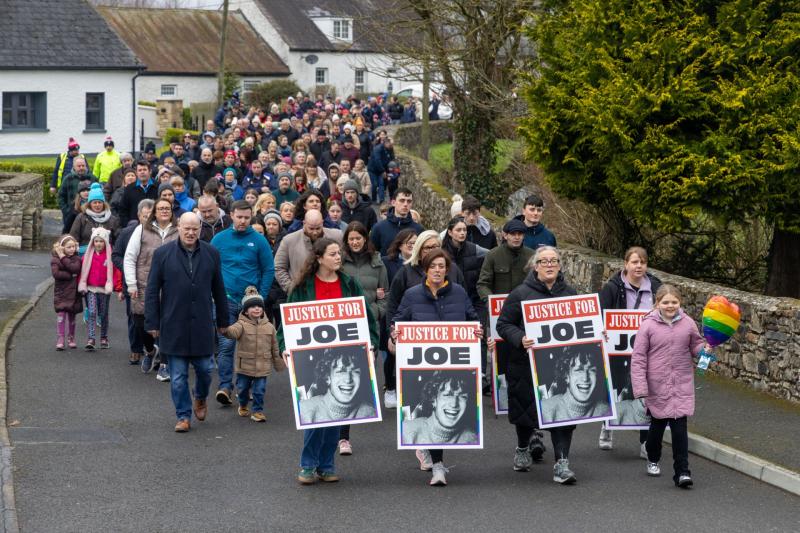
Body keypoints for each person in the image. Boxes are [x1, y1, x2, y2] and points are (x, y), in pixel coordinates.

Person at [277, 238, 378, 485]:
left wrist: (371, 345)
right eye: (333, 254)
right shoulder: (302, 286)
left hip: (345, 359)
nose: (338, 258)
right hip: (312, 359)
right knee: (314, 414)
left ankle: (327, 464)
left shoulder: (349, 283)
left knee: (336, 415)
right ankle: (308, 465)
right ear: (319, 258)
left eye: (338, 254)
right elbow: (286, 322)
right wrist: (284, 348)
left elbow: (366, 317)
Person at [393, 249, 481, 486]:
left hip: (453, 366)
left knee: (448, 414)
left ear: (447, 269)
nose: (438, 270)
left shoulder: (459, 292)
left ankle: (438, 463)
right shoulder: (412, 295)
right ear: (425, 269)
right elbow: (398, 320)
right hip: (422, 367)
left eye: (442, 266)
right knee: (431, 415)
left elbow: (472, 318)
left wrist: (477, 331)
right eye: (433, 266)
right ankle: (436, 463)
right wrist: (396, 333)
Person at [496, 246, 579, 484]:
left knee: (564, 414)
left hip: (561, 368)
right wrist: (520, 338)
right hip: (526, 365)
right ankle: (523, 448)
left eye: (554, 261)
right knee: (526, 413)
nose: (550, 265)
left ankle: (562, 463)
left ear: (560, 265)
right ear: (535, 266)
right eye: (544, 261)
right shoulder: (520, 294)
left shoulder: (571, 294)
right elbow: (503, 324)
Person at [145, 212, 230, 433]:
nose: (191, 232)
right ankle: (183, 416)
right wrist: (152, 322)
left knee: (205, 370)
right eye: (186, 228)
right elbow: (153, 290)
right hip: (173, 325)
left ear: (200, 229)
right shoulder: (163, 254)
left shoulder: (211, 253)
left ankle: (200, 397)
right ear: (178, 228)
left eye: (195, 229)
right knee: (179, 378)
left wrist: (223, 320)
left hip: (202, 324)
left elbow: (219, 290)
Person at [631, 284, 707, 488]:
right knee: (656, 429)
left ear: (680, 303)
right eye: (666, 302)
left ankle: (682, 472)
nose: (670, 305)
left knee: (679, 430)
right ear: (657, 303)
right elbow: (638, 358)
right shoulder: (647, 326)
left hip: (681, 384)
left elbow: (696, 346)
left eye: (674, 302)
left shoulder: (688, 323)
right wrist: (640, 387)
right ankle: (652, 456)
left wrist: (705, 350)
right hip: (657, 386)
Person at [597, 246, 662, 455]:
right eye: (634, 262)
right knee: (616, 387)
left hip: (648, 348)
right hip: (618, 347)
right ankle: (608, 426)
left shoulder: (656, 287)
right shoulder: (613, 287)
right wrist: (603, 330)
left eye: (642, 262)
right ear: (626, 264)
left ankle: (645, 442)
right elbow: (599, 315)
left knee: (645, 392)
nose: (639, 266)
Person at [211, 200, 275, 405]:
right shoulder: (219, 239)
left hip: (250, 303)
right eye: (239, 217)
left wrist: (261, 298)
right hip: (225, 300)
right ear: (231, 215)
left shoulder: (259, 240)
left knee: (250, 348)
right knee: (227, 345)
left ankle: (244, 387)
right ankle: (224, 387)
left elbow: (268, 270)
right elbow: (210, 268)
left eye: (247, 217)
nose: (243, 221)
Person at [338, 221, 389, 455]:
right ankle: (343, 437)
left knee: (361, 379)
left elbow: (385, 298)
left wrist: (373, 314)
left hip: (369, 329)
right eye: (351, 239)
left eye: (359, 238)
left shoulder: (378, 264)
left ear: (365, 239)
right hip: (343, 329)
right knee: (343, 380)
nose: (355, 242)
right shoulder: (339, 263)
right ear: (346, 241)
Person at [124, 199, 179, 379]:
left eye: (167, 208)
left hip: (171, 287)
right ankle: (149, 350)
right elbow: (130, 257)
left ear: (172, 211)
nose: (164, 211)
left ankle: (165, 364)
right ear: (154, 212)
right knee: (142, 324)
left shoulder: (179, 231)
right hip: (144, 285)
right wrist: (131, 284)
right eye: (160, 208)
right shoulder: (141, 230)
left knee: (167, 326)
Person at [221, 286, 283, 423]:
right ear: (245, 310)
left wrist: (279, 363)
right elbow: (232, 332)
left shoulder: (269, 327)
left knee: (259, 390)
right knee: (242, 389)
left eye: (259, 306)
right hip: (245, 366)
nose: (257, 309)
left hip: (263, 366)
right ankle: (243, 405)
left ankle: (258, 411)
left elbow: (274, 347)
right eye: (252, 306)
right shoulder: (241, 324)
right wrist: (224, 329)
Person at [112, 199, 153, 365]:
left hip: (153, 283)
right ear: (139, 215)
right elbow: (116, 255)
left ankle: (153, 349)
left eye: (151, 216)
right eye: (145, 216)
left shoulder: (159, 234)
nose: (148, 219)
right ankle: (136, 349)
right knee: (134, 318)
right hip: (132, 282)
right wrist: (130, 270)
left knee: (153, 318)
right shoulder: (127, 233)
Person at [297, 346, 377, 424]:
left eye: (355, 371)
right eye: (341, 371)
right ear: (327, 378)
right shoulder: (304, 411)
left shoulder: (370, 412)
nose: (348, 379)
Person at [400, 371, 478, 445]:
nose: (454, 404)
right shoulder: (406, 432)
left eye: (462, 397)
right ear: (433, 399)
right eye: (447, 395)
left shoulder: (472, 438)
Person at [274, 209, 343, 292]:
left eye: (318, 228)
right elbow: (278, 267)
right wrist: (291, 288)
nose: (315, 232)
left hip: (333, 290)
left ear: (322, 223)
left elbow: (344, 261)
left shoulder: (337, 236)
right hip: (302, 293)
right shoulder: (289, 240)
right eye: (311, 228)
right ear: (304, 223)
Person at [539, 344, 611, 423]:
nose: (585, 378)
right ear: (566, 376)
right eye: (578, 370)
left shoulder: (606, 411)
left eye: (592, 370)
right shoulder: (544, 411)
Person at [77, 227, 118, 351]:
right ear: (92, 242)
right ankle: (91, 338)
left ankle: (104, 337)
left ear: (105, 242)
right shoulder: (87, 256)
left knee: (103, 313)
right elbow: (82, 271)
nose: (98, 244)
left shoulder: (110, 257)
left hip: (104, 289)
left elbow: (115, 272)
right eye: (96, 241)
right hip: (90, 289)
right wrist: (81, 284)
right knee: (92, 312)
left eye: (101, 241)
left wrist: (114, 285)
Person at [369, 187, 423, 256]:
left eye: (409, 201)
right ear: (393, 202)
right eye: (402, 200)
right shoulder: (379, 228)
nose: (405, 204)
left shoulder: (419, 229)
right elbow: (371, 254)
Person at [51, 235, 82, 350]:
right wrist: (70, 276)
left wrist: (63, 257)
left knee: (72, 316)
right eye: (69, 247)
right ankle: (60, 338)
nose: (72, 249)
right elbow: (56, 274)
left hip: (73, 293)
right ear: (62, 247)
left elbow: (75, 269)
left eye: (73, 246)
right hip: (61, 292)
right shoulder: (55, 259)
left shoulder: (77, 259)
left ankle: (71, 338)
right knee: (61, 315)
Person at [70, 183, 120, 252]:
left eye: (99, 202)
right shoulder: (81, 217)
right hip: (84, 253)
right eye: (94, 202)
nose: (97, 205)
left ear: (104, 204)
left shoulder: (112, 219)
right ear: (90, 204)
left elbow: (117, 239)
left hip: (106, 255)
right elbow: (73, 237)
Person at [57, 157, 97, 233]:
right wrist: (66, 210)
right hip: (71, 214)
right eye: (79, 166)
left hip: (90, 214)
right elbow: (61, 196)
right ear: (74, 167)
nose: (81, 168)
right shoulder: (68, 178)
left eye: (83, 165)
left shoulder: (92, 178)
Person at [119, 161, 158, 227]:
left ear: (150, 171)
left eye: (144, 170)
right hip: (134, 227)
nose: (142, 172)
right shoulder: (129, 189)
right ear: (136, 173)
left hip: (155, 226)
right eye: (140, 170)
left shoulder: (158, 187)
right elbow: (123, 210)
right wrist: (128, 225)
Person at [367, 137, 394, 203]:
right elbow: (377, 160)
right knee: (375, 184)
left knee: (381, 184)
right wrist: (383, 171)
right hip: (373, 169)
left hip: (381, 169)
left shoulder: (389, 149)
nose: (391, 146)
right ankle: (374, 199)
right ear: (386, 143)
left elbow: (391, 158)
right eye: (390, 144)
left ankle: (381, 200)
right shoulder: (378, 149)